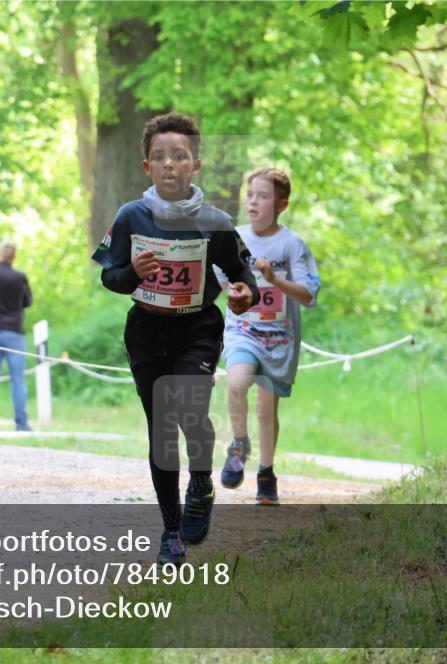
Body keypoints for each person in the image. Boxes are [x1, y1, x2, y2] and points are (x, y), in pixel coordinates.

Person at [91, 112, 260, 565]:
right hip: (147, 331)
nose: (169, 165)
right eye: (159, 157)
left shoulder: (215, 221)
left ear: (195, 164)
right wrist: (133, 273)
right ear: (147, 166)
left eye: (179, 157)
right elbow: (110, 277)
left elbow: (242, 272)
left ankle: (201, 482)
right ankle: (170, 530)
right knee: (162, 432)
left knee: (189, 411)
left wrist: (246, 293)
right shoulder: (132, 215)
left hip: (197, 328)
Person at [216, 168, 320, 504]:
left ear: (281, 204)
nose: (254, 202)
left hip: (279, 339)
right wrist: (231, 289)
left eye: (263, 196)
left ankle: (266, 472)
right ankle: (239, 444)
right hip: (243, 330)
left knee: (265, 409)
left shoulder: (292, 245)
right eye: (250, 195)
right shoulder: (234, 238)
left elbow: (308, 294)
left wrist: (273, 279)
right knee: (236, 382)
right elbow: (217, 281)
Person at [0, 240, 33, 432]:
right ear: (14, 256)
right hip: (14, 332)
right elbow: (27, 301)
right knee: (18, 379)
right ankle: (21, 422)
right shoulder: (20, 277)